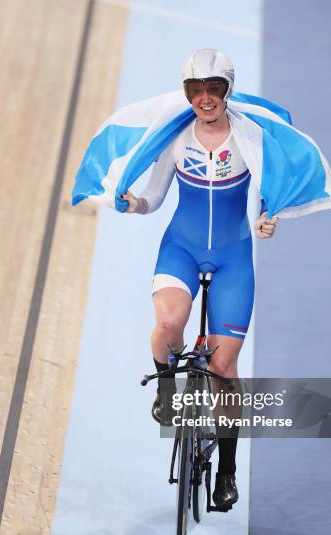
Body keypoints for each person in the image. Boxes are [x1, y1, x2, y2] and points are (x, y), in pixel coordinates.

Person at [122, 49, 278, 509]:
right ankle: (168, 387)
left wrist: (268, 219)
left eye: (214, 89)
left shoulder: (250, 137)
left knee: (223, 369)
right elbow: (151, 196)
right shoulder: (176, 137)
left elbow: (270, 193)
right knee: (171, 324)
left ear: (227, 91)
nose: (205, 99)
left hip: (233, 259)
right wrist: (133, 203)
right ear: (187, 94)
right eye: (196, 91)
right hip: (182, 249)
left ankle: (227, 470)